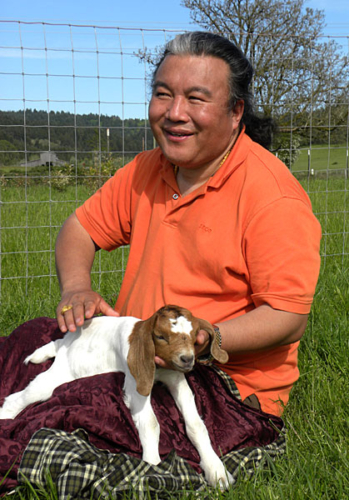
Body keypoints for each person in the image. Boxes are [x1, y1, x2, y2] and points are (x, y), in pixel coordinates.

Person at [55, 31, 321, 416]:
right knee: (22, 366)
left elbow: (287, 317)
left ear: (235, 113)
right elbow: (78, 229)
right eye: (163, 94)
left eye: (195, 98)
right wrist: (76, 288)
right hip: (140, 358)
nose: (175, 112)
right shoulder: (145, 170)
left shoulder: (272, 196)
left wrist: (206, 338)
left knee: (60, 427)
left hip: (225, 387)